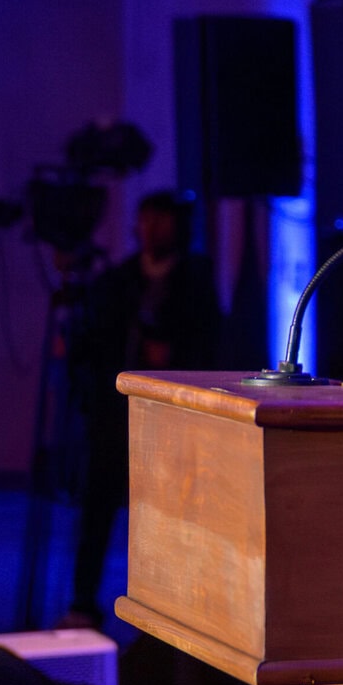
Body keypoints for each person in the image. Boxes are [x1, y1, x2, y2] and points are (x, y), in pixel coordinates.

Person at [61, 190, 221, 628]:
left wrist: (173, 354)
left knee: (169, 518)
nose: (151, 228)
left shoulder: (195, 278)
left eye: (162, 220)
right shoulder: (118, 280)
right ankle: (83, 604)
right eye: (146, 219)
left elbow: (211, 343)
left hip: (172, 422)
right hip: (114, 420)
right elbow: (94, 341)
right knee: (97, 512)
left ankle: (171, 609)